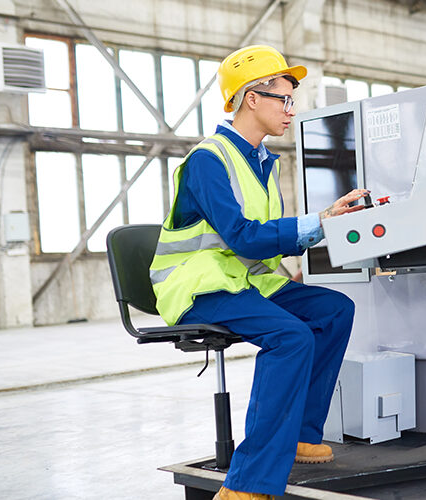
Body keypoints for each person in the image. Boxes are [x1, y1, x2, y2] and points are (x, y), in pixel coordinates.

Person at [149, 45, 367, 500]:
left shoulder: (264, 162)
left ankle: (304, 434)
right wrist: (319, 221)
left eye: (292, 99)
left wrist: (304, 254)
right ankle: (246, 482)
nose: (291, 109)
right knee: (291, 337)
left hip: (245, 281)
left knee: (333, 310)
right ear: (252, 98)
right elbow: (244, 236)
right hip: (199, 285)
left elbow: (262, 248)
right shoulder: (208, 160)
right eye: (283, 99)